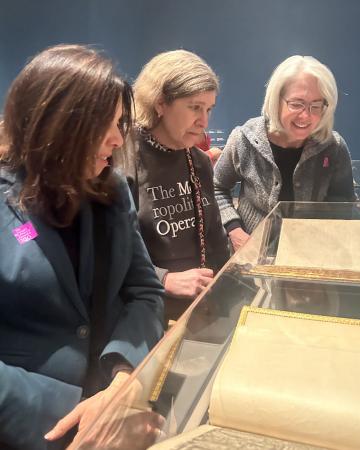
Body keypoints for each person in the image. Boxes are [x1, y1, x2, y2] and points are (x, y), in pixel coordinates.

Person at [0, 44, 164, 450]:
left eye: (120, 123)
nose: (115, 139)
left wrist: (124, 380)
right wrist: (75, 414)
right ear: (50, 124)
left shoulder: (114, 191)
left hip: (114, 401)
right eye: (101, 126)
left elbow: (143, 290)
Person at [123, 50, 230, 323]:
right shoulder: (124, 158)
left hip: (201, 311)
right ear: (160, 103)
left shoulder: (199, 162)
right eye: (194, 107)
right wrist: (164, 278)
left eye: (208, 109)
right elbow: (111, 250)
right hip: (145, 313)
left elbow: (216, 239)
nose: (204, 122)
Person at [213, 55, 356, 252]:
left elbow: (344, 201)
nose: (306, 116)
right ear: (276, 99)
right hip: (250, 254)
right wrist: (234, 230)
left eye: (316, 105)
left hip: (310, 255)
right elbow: (216, 187)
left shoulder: (334, 147)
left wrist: (323, 237)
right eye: (296, 104)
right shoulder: (244, 139)